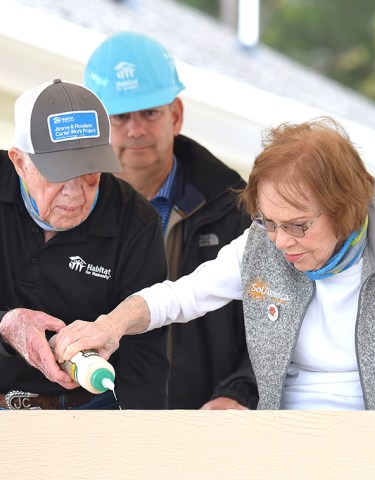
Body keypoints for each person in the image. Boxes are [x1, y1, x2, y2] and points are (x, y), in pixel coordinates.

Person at [54, 116, 375, 410]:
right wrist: (111, 326)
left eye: (297, 225)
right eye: (268, 222)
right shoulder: (260, 248)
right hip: (284, 431)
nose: (280, 241)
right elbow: (180, 296)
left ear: (346, 210)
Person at [83, 31, 258, 409]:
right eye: (120, 116)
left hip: (207, 425)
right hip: (99, 422)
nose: (136, 129)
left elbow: (277, 318)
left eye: (150, 112)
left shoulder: (235, 209)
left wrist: (239, 392)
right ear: (95, 125)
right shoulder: (69, 210)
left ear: (175, 115)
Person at [0, 79, 169, 410]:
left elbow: (145, 355)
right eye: (58, 177)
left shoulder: (135, 221)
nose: (75, 194)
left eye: (91, 174)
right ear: (20, 162)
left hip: (87, 407)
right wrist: (6, 325)